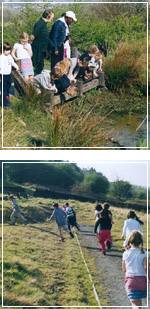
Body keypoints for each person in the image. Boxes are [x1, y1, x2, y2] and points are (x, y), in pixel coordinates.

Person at [122, 231, 148, 308]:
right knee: (138, 304)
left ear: (130, 241)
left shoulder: (126, 253)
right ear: (140, 241)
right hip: (142, 281)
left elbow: (124, 269)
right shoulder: (145, 253)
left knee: (135, 304)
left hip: (131, 282)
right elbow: (146, 267)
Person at [32, 9, 54, 75]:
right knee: (38, 68)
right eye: (52, 17)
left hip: (41, 51)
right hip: (38, 51)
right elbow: (33, 36)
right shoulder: (40, 24)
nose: (52, 19)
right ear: (48, 16)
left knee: (40, 67)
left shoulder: (43, 24)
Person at [0, 43, 19, 108]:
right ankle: (5, 104)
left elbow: (12, 63)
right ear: (2, 50)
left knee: (8, 88)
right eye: (7, 50)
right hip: (3, 75)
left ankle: (7, 100)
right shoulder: (1, 57)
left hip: (8, 75)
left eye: (9, 50)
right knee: (4, 89)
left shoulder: (9, 56)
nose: (9, 51)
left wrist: (16, 67)